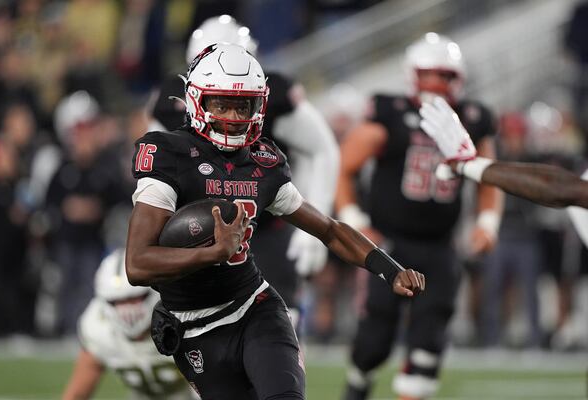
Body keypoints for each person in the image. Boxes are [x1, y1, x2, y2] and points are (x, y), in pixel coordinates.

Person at [126, 43, 425, 400]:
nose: (234, 116)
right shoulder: (169, 155)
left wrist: (390, 270)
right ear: (196, 101)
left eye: (243, 105)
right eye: (221, 103)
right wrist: (210, 253)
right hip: (195, 328)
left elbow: (328, 229)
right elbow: (138, 264)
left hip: (253, 308)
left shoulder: (262, 162)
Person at [338, 33, 503, 400]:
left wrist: (487, 222)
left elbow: (489, 176)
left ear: (457, 78)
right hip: (388, 244)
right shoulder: (389, 112)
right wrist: (353, 217)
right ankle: (357, 386)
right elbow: (345, 164)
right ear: (411, 75)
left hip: (440, 247)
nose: (436, 84)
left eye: (443, 75)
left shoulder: (473, 119)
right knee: (373, 341)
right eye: (428, 74)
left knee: (429, 339)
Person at [149, 15, 340, 330]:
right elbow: (154, 166)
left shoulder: (273, 92)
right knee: (199, 329)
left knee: (281, 325)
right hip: (198, 230)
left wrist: (313, 231)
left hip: (265, 225)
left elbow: (323, 149)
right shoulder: (172, 98)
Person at [419, 95, 588, 246]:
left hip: (526, 233)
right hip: (507, 231)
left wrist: (468, 165)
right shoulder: (505, 154)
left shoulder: (538, 156)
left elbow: (562, 189)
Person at [62, 248, 197, 400]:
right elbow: (77, 393)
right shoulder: (97, 327)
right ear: (103, 300)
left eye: (135, 299)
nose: (127, 310)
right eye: (117, 302)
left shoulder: (184, 319)